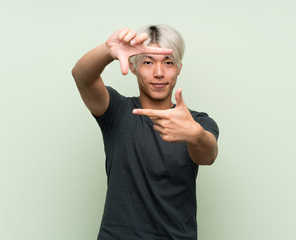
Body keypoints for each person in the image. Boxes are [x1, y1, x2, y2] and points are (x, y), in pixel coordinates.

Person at [72, 24, 219, 240]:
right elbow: (82, 77)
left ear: (179, 67)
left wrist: (195, 135)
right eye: (148, 62)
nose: (159, 73)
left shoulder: (197, 122)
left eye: (168, 63)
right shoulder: (117, 111)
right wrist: (106, 50)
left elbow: (207, 155)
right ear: (133, 66)